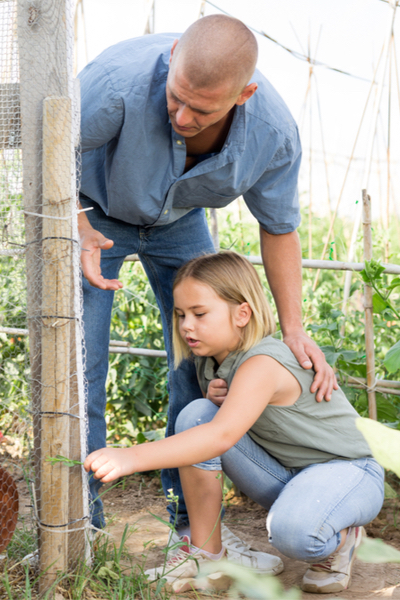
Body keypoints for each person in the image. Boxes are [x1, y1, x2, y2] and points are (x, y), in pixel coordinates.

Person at [78, 13, 337, 567]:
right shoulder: (114, 83)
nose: (182, 116)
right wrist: (74, 224)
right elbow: (38, 151)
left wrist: (293, 327)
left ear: (243, 95)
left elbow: (279, 227)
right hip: (91, 211)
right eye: (176, 99)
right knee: (81, 365)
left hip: (179, 222)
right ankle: (83, 526)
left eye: (203, 109)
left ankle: (189, 532)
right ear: (172, 57)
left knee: (199, 367)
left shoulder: (271, 134)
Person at [84, 252, 384, 595]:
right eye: (181, 315)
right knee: (197, 415)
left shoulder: (263, 362)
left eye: (199, 314)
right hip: (294, 476)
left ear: (242, 313)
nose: (186, 326)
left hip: (350, 471)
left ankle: (342, 537)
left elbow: (221, 436)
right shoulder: (213, 362)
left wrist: (130, 456)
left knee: (294, 534)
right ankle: (208, 556)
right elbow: (214, 427)